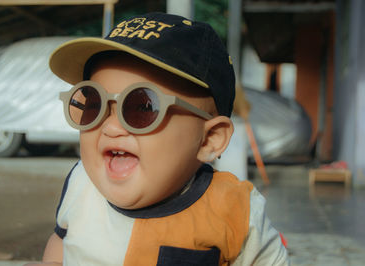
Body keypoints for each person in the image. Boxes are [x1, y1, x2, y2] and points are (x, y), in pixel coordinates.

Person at [26, 12, 289, 266]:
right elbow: (62, 239)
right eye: (94, 104)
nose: (111, 127)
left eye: (142, 108)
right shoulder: (80, 182)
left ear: (209, 138)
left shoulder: (235, 211)